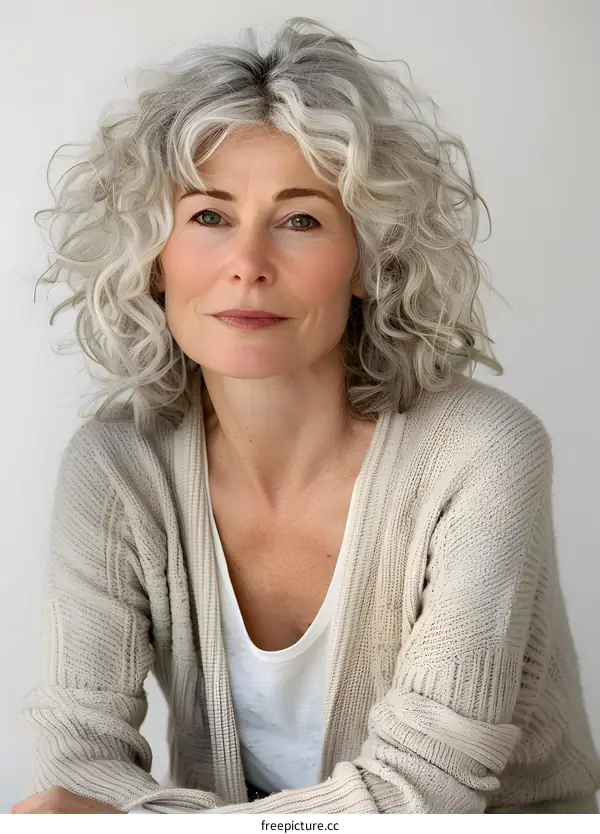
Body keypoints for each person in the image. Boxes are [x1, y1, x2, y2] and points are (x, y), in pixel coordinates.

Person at [12, 16, 600, 815]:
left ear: (368, 260)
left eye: (301, 220)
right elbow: (72, 765)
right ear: (154, 255)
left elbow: (421, 793)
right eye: (210, 216)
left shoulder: (481, 452)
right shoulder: (118, 465)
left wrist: (146, 824)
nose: (248, 267)